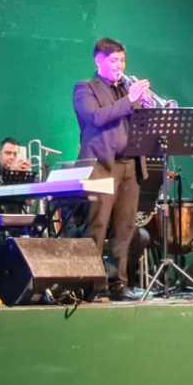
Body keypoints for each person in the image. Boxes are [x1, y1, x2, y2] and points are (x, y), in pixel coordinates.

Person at [73, 37, 153, 300]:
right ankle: (89, 286)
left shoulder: (126, 90)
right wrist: (130, 99)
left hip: (131, 165)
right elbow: (96, 118)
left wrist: (147, 106)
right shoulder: (85, 88)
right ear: (99, 61)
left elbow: (141, 124)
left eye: (123, 60)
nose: (120, 65)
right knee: (97, 226)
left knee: (124, 228)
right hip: (101, 166)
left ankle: (118, 283)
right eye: (114, 60)